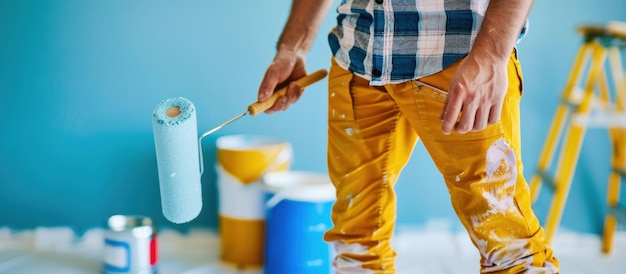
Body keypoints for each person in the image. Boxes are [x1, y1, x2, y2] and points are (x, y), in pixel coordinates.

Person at [257, 0, 560, 273]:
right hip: (358, 55)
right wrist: (293, 47)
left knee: (510, 249)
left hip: (462, 59)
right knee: (356, 247)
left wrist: (492, 53)